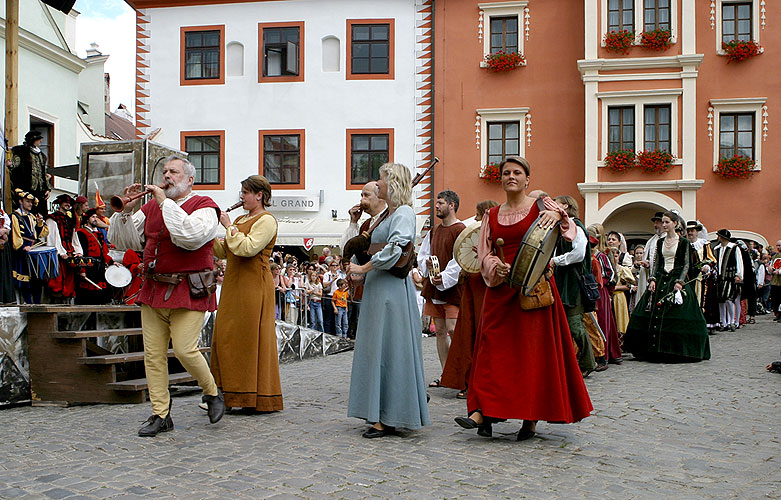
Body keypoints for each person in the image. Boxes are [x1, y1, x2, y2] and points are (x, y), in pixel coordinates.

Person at [454, 156, 592, 441]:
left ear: (527, 179)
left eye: (517, 172)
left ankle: (530, 418)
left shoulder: (542, 205)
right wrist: (495, 267)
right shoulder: (492, 215)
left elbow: (571, 233)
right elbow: (485, 253)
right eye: (506, 173)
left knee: (532, 355)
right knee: (492, 351)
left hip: (534, 289)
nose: (511, 176)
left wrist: (559, 216)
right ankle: (483, 409)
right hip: (500, 290)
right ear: (501, 179)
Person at [110, 156, 224, 436]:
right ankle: (161, 414)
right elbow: (123, 241)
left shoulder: (206, 206)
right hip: (153, 288)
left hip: (189, 288)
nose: (167, 176)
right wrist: (126, 210)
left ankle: (211, 391)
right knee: (153, 355)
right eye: (165, 171)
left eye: (174, 171)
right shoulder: (151, 206)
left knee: (185, 349)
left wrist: (163, 203)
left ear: (189, 180)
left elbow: (190, 236)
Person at [347, 163, 430, 438]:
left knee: (390, 348)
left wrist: (364, 269)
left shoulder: (404, 212)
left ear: (392, 182)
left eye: (381, 179)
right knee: (378, 348)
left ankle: (389, 415)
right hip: (379, 288)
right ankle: (381, 412)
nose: (378, 183)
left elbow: (396, 249)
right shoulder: (390, 213)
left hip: (390, 289)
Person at [211, 174, 283, 414]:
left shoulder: (267, 220)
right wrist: (210, 229)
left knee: (250, 338)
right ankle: (227, 393)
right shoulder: (242, 218)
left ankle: (254, 396)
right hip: (234, 283)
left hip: (254, 285)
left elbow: (247, 248)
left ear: (259, 195)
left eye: (245, 192)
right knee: (227, 335)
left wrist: (229, 226)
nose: (241, 197)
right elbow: (225, 251)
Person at [624, 212, 710, 361]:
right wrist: (652, 279)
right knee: (647, 310)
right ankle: (651, 349)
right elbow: (657, 263)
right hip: (661, 277)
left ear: (675, 224)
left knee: (678, 312)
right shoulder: (659, 242)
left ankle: (674, 350)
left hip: (676, 278)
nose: (664, 225)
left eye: (666, 222)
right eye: (662, 222)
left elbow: (686, 264)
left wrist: (680, 282)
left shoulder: (683, 242)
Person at [441, 200, 498, 399]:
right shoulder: (477, 231)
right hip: (472, 288)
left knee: (480, 336)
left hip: (486, 289)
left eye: (477, 214)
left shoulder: (495, 233)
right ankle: (468, 381)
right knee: (468, 336)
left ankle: (481, 382)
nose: (474, 218)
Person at [417, 190, 465, 387]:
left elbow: (460, 259)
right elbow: (423, 254)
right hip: (435, 288)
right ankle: (446, 375)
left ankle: (461, 374)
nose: (437, 206)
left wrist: (444, 277)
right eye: (436, 203)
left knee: (454, 330)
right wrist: (427, 267)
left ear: (452, 205)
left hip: (452, 288)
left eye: (441, 203)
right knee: (440, 331)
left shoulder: (460, 229)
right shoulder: (434, 231)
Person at [550, 195, 597, 377]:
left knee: (575, 324)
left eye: (558, 203)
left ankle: (588, 363)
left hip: (574, 283)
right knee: (564, 325)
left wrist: (556, 261)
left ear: (566, 206)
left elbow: (578, 253)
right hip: (563, 282)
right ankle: (568, 363)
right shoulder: (562, 227)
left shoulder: (575, 226)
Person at [341, 181, 388, 338]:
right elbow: (348, 250)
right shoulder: (366, 224)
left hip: (386, 283)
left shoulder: (390, 219)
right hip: (370, 285)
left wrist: (362, 271)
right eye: (361, 195)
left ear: (380, 197)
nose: (362, 199)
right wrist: (353, 222)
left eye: (366, 195)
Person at [587, 223, 622, 364]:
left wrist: (600, 282)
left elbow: (612, 274)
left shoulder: (603, 255)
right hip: (589, 291)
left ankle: (603, 354)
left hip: (600, 293)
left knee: (601, 322)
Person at [10, 189, 49, 303]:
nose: (30, 204)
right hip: (23, 251)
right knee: (25, 281)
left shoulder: (32, 216)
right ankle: (27, 303)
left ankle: (37, 304)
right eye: (27, 201)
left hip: (33, 250)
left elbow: (40, 234)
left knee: (37, 280)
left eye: (31, 202)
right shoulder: (14, 216)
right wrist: (22, 247)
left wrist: (40, 223)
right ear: (20, 201)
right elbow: (16, 235)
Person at [45, 194, 82, 301]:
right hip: (58, 252)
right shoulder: (52, 218)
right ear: (60, 204)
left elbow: (74, 237)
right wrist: (60, 252)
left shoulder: (70, 220)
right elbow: (53, 236)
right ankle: (57, 297)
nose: (67, 205)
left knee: (69, 277)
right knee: (58, 277)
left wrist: (78, 251)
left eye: (69, 203)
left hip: (69, 250)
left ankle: (67, 297)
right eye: (65, 202)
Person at [75, 208, 114, 305]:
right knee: (88, 297)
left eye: (96, 217)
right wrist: (82, 270)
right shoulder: (81, 233)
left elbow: (104, 252)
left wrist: (111, 262)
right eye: (93, 217)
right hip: (89, 267)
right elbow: (81, 252)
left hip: (99, 268)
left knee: (100, 295)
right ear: (87, 219)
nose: (95, 219)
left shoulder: (99, 234)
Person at [10, 130, 50, 217]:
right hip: (27, 188)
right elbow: (16, 163)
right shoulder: (22, 152)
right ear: (33, 140)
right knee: (28, 211)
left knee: (40, 214)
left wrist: (47, 188)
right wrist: (11, 165)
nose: (41, 141)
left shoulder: (42, 155)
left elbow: (44, 173)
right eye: (39, 139)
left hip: (40, 191)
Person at [713, 229, 743, 332]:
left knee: (729, 299)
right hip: (720, 277)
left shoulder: (734, 248)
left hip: (730, 277)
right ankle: (723, 321)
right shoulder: (717, 249)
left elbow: (739, 262)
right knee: (720, 300)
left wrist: (739, 275)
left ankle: (732, 321)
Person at [636, 212, 664, 298]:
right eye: (654, 223)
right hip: (651, 275)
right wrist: (647, 264)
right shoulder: (652, 240)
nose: (655, 225)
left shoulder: (668, 239)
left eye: (657, 222)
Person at [0, 206, 14, 303]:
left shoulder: (2, 212)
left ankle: (5, 298)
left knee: (3, 272)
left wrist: (4, 233)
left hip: (2, 246)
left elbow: (7, 230)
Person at [305, 265, 324, 331]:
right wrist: (311, 291)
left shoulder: (319, 284)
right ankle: (312, 333)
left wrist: (315, 292)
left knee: (320, 320)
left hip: (318, 302)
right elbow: (306, 291)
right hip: (312, 302)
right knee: (312, 320)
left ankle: (322, 333)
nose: (313, 277)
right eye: (312, 275)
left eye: (315, 276)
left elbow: (321, 294)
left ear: (317, 277)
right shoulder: (308, 282)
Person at [770, 240, 781, 322]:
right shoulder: (775, 256)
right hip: (774, 281)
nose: (778, 247)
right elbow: (771, 265)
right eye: (777, 245)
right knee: (775, 299)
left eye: (780, 245)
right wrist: (770, 268)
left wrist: (779, 271)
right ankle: (777, 313)